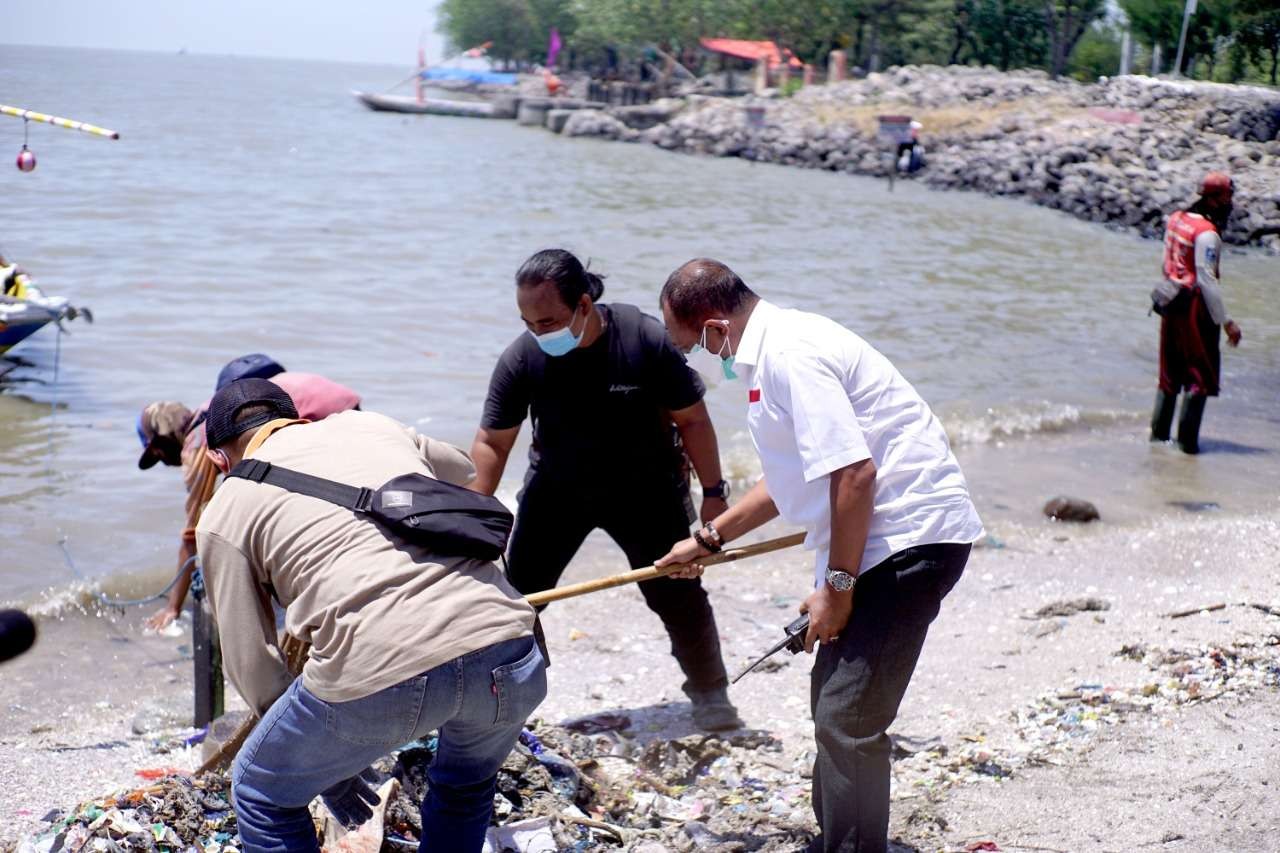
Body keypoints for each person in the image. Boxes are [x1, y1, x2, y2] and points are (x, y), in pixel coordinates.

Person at [655, 259, 984, 853]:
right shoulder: (771, 354)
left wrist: (838, 586)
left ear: (714, 327)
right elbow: (794, 482)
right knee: (831, 700)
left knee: (850, 718)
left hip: (909, 539)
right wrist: (709, 539)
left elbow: (855, 473)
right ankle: (836, 837)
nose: (701, 360)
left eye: (693, 347)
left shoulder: (791, 355)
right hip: (874, 542)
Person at [196, 379, 545, 852]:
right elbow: (462, 468)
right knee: (465, 788)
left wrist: (322, 767)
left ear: (219, 458)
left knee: (261, 791)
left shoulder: (225, 509)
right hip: (511, 652)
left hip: (382, 674)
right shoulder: (368, 424)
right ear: (298, 418)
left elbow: (252, 665)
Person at [468, 248, 741, 731]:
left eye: (549, 321)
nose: (538, 333)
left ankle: (710, 692)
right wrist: (470, 513)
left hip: (647, 492)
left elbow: (694, 420)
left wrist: (715, 495)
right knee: (516, 602)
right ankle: (495, 702)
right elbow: (493, 440)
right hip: (557, 491)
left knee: (678, 595)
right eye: (529, 323)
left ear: (584, 306)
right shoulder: (524, 357)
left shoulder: (644, 340)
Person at [139, 354, 361, 630]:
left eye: (158, 456)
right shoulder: (211, 410)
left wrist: (172, 608)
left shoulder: (197, 445)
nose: (164, 462)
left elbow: (192, 534)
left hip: (319, 415)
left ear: (161, 443)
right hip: (341, 405)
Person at [1152, 171, 1243, 455]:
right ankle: (1186, 447)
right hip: (1194, 308)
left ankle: (1157, 442)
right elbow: (1206, 280)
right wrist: (1226, 322)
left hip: (1169, 301)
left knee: (1169, 375)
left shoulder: (1175, 219)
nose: (1231, 202)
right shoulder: (1207, 234)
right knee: (1198, 378)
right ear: (1215, 200)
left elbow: (1168, 261)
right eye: (1229, 196)